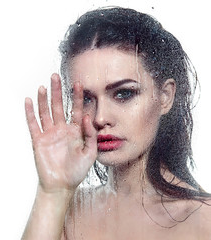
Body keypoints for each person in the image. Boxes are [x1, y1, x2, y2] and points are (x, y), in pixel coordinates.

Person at [22, 7, 211, 240]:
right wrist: (52, 191)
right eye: (88, 99)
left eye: (123, 94)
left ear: (165, 96)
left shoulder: (203, 219)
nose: (101, 118)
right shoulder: (65, 211)